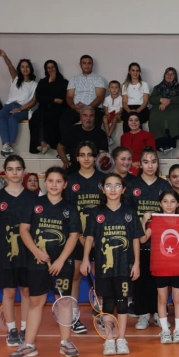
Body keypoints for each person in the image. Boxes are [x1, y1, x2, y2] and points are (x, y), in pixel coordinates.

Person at [11, 167, 81, 357]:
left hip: (62, 264)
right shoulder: (34, 204)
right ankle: (29, 344)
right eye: (50, 181)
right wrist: (36, 251)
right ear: (45, 182)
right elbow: (24, 230)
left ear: (65, 184)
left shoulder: (70, 208)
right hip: (37, 263)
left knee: (63, 301)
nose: (54, 185)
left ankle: (66, 342)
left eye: (58, 181)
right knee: (35, 302)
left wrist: (60, 260)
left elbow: (74, 236)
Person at [81, 173, 142, 355]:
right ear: (103, 189)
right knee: (107, 304)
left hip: (125, 266)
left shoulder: (130, 213)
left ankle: (121, 338)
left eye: (117, 185)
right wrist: (85, 259)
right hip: (103, 268)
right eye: (109, 185)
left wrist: (137, 263)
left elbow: (136, 239)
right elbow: (89, 238)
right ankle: (109, 338)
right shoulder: (95, 213)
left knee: (122, 303)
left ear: (123, 189)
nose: (113, 189)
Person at [0, 155, 36, 347]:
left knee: (26, 290)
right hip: (6, 253)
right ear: (5, 172)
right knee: (9, 291)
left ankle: (25, 327)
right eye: (10, 169)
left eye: (18, 169)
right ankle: (11, 330)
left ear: (24, 171)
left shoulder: (32, 198)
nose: (15, 173)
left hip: (28, 254)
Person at [128, 148, 171, 329]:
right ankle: (143, 314)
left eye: (153, 161)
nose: (150, 165)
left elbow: (170, 212)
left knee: (159, 282)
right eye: (146, 162)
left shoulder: (164, 185)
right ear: (140, 164)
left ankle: (160, 314)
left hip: (160, 242)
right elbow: (128, 214)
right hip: (139, 241)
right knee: (141, 280)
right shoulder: (132, 185)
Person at [66, 141, 105, 334]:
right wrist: (80, 235)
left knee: (101, 276)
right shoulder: (70, 180)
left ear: (95, 157)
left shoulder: (103, 179)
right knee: (75, 275)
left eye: (90, 154)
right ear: (77, 158)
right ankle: (73, 317)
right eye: (82, 155)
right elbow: (67, 211)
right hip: (77, 237)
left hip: (100, 237)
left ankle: (100, 313)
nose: (86, 158)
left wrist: (96, 236)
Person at [140, 190, 179, 344]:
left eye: (172, 201)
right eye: (165, 201)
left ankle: (178, 330)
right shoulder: (156, 221)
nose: (169, 205)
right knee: (162, 298)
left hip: (177, 265)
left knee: (178, 298)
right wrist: (144, 221)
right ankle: (165, 331)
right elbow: (142, 239)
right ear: (160, 203)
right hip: (160, 265)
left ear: (178, 204)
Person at [0, 50, 37, 156]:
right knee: (1, 115)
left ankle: (10, 145)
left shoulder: (34, 84)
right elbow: (10, 66)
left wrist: (20, 109)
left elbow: (33, 101)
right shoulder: (16, 78)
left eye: (27, 67)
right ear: (19, 69)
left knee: (13, 118)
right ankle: (6, 144)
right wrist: (5, 56)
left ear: (30, 69)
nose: (25, 69)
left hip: (23, 108)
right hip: (8, 106)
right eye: (22, 67)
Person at [28, 60, 68, 155]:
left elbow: (61, 98)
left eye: (52, 67)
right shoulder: (42, 82)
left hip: (59, 108)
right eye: (48, 68)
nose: (51, 70)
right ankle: (42, 143)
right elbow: (39, 97)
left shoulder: (63, 82)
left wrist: (51, 86)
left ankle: (46, 143)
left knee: (48, 116)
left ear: (56, 68)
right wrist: (53, 98)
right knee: (36, 116)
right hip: (44, 107)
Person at [60, 55, 106, 135]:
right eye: (84, 63)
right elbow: (69, 96)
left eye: (89, 63)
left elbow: (100, 97)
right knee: (64, 120)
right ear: (80, 65)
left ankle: (91, 143)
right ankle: (68, 142)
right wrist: (73, 106)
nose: (87, 65)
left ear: (92, 65)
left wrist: (87, 108)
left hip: (93, 108)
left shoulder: (99, 79)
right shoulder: (74, 79)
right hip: (76, 109)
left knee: (96, 120)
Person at [57, 106, 108, 174]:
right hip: (74, 168)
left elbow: (102, 155)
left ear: (94, 118)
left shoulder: (101, 134)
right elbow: (60, 147)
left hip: (94, 169)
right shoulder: (72, 131)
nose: (88, 118)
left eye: (91, 116)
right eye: (85, 115)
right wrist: (65, 161)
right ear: (80, 118)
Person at [149, 67, 179, 150]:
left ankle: (172, 143)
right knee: (155, 115)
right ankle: (160, 144)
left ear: (175, 76)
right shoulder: (157, 87)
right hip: (160, 108)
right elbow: (151, 99)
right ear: (164, 75)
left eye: (172, 74)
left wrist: (169, 100)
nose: (169, 76)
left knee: (175, 115)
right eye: (167, 74)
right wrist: (161, 100)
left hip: (174, 108)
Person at [121, 62, 150, 133]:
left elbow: (145, 101)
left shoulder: (144, 84)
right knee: (127, 121)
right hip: (129, 108)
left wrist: (138, 110)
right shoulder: (125, 85)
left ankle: (139, 139)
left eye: (137, 71)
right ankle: (127, 139)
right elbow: (124, 102)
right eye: (133, 70)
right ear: (129, 72)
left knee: (137, 119)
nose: (135, 73)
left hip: (141, 108)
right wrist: (129, 111)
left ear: (140, 72)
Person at [102, 81, 122, 146]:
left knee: (115, 119)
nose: (114, 89)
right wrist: (107, 113)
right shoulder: (107, 98)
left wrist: (116, 114)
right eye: (112, 87)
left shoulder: (121, 98)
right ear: (109, 89)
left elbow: (121, 110)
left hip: (117, 114)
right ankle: (109, 136)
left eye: (116, 87)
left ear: (119, 89)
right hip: (109, 113)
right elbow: (105, 109)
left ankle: (108, 136)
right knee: (104, 119)